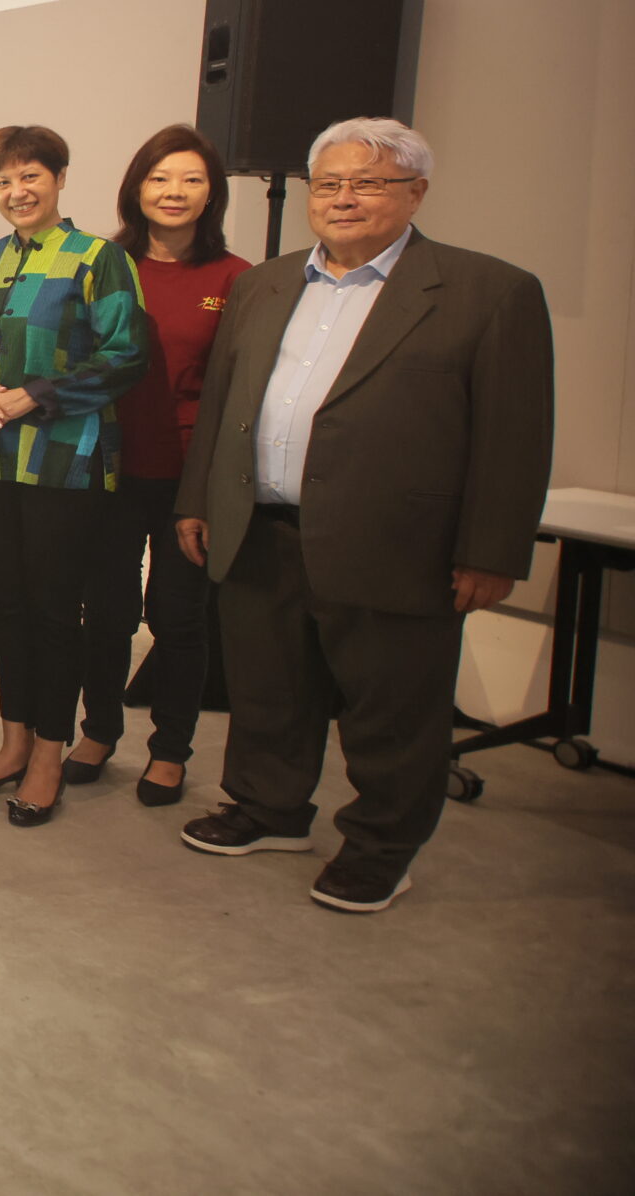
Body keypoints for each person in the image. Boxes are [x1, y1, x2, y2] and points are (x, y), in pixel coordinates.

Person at [174, 118, 552, 913]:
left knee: (392, 708)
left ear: (416, 193)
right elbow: (224, 405)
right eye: (331, 182)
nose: (345, 198)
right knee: (269, 688)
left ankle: (382, 846)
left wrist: (493, 550)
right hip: (262, 527)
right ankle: (270, 808)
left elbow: (514, 436)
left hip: (398, 543)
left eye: (370, 182)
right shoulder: (265, 284)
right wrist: (199, 496)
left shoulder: (489, 292)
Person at [0, 125, 146, 827]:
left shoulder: (98, 259)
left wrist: (36, 393)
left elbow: (124, 355)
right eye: (2, 182)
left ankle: (50, 751)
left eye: (30, 177)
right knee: (8, 604)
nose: (17, 192)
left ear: (58, 178)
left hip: (66, 457)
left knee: (55, 610)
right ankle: (12, 741)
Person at [67, 126, 250, 805]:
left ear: (212, 194)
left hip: (187, 478)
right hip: (107, 468)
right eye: (160, 178)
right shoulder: (99, 263)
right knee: (106, 612)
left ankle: (170, 749)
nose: (174, 192)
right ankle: (99, 731)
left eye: (192, 180)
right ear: (135, 188)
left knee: (178, 618)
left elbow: (238, 390)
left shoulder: (236, 279)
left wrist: (208, 486)